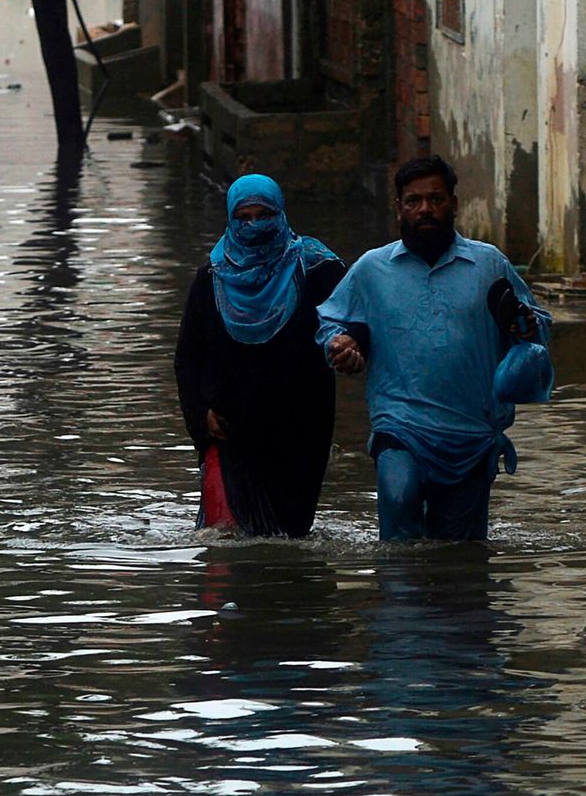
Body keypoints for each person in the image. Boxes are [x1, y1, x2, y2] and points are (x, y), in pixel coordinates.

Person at [315, 155, 551, 541]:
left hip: (470, 434)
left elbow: (536, 330)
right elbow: (331, 319)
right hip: (400, 424)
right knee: (399, 494)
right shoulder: (372, 269)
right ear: (399, 208)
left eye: (435, 199)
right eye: (413, 201)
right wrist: (339, 342)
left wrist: (521, 323)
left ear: (454, 204)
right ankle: (399, 595)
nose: (424, 209)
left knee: (460, 555)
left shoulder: (488, 265)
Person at [174, 174, 347, 537]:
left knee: (290, 536)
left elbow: (350, 322)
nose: (254, 226)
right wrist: (198, 414)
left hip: (301, 430)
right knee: (226, 544)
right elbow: (189, 357)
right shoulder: (212, 276)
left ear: (280, 213)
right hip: (229, 431)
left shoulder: (316, 269)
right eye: (244, 217)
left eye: (264, 214)